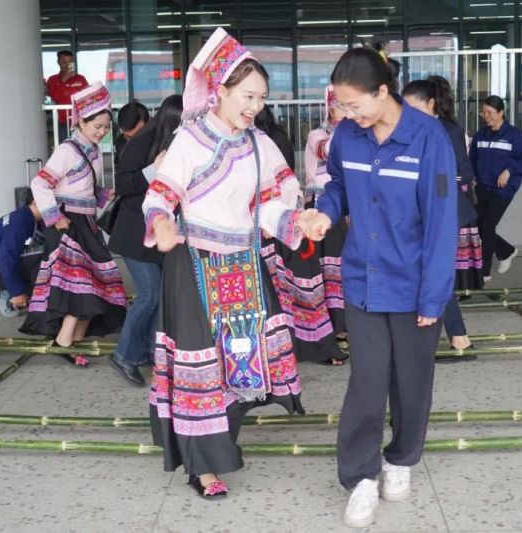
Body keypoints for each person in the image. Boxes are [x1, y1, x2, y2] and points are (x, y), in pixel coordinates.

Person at [142, 28, 310, 499]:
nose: (255, 106)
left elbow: (272, 206)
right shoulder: (190, 140)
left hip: (243, 267)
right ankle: (203, 465)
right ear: (220, 90)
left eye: (262, 97)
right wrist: (162, 223)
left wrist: (299, 221)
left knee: (242, 362)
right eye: (247, 96)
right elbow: (160, 195)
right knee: (201, 367)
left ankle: (219, 444)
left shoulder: (260, 144)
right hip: (194, 266)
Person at [302, 47, 458, 528]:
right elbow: (337, 187)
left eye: (354, 105)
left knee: (411, 382)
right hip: (363, 280)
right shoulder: (348, 137)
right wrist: (325, 212)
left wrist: (434, 295)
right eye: (342, 107)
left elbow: (442, 220)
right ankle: (360, 477)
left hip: (414, 284)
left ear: (383, 91)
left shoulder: (428, 137)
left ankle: (402, 457)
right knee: (367, 381)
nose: (348, 115)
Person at [20, 82, 126, 366]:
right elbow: (40, 183)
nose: (102, 132)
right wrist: (55, 217)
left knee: (93, 283)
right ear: (81, 121)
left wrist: (104, 195)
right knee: (81, 285)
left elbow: (83, 187)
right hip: (69, 224)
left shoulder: (93, 149)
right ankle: (65, 341)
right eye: (97, 126)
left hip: (85, 222)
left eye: (106, 127)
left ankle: (72, 339)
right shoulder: (67, 150)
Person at [255, 99, 348, 365]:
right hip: (281, 223)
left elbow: (287, 184)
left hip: (291, 221)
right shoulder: (314, 135)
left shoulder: (268, 141)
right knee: (302, 284)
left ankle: (329, 335)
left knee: (316, 279)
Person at [404, 76, 481, 358]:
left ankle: (459, 336)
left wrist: (436, 203)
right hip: (422, 212)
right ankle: (456, 336)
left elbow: (456, 173)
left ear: (431, 104)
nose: (408, 114)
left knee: (435, 272)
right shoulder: (414, 130)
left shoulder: (446, 130)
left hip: (442, 212)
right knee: (429, 272)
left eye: (414, 108)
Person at [107, 94, 181, 387]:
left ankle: (151, 353)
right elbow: (124, 184)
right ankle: (124, 355)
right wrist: (153, 171)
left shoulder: (179, 145)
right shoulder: (141, 143)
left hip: (156, 235)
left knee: (159, 296)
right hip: (133, 234)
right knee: (149, 295)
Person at [470, 94, 522, 281]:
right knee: (478, 225)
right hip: (483, 186)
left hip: (503, 189)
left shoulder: (514, 136)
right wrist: (473, 176)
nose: (486, 116)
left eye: (490, 112)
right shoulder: (480, 135)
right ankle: (506, 251)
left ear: (501, 113)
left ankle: (484, 272)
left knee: (488, 225)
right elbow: (473, 159)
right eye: (483, 112)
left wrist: (510, 170)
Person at [0, 189, 45, 319]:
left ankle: (13, 291)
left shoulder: (28, 216)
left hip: (0, 265)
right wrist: (17, 292)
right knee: (44, 261)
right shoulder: (20, 222)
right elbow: (6, 259)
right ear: (35, 203)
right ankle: (6, 296)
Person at [46, 50, 89, 144]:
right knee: (65, 147)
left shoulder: (81, 78)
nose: (67, 65)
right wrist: (65, 79)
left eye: (70, 62)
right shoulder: (53, 79)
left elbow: (87, 96)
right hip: (63, 122)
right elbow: (55, 97)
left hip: (81, 121)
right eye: (64, 62)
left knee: (83, 147)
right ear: (58, 62)